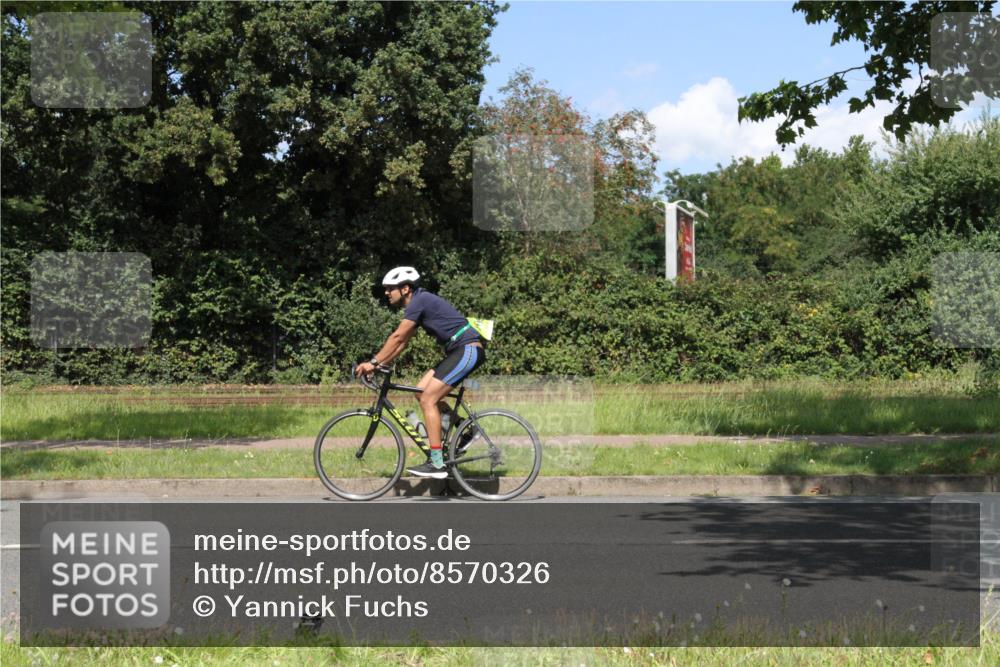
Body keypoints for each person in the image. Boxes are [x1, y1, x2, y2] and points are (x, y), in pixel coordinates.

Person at [354, 267, 485, 479]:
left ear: (405, 288)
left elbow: (397, 337)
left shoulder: (418, 301)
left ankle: (437, 464)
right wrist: (378, 365)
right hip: (459, 350)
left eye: (390, 289)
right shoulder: (418, 303)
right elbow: (401, 344)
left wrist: (373, 362)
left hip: (468, 349)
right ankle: (466, 430)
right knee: (420, 391)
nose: (386, 293)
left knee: (428, 400)